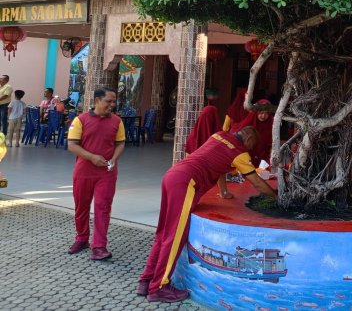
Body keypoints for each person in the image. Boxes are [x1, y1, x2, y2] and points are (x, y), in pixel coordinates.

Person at [138, 126, 277, 303]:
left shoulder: (218, 136)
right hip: (186, 183)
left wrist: (224, 192)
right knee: (174, 237)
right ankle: (158, 288)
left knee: (163, 233)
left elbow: (219, 168)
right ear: (249, 138)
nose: (251, 149)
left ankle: (146, 280)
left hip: (172, 176)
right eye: (252, 144)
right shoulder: (240, 153)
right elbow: (257, 183)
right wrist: (277, 198)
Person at [67, 88, 125, 260]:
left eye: (114, 101)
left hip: (107, 172)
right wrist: (92, 157)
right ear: (97, 100)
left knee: (103, 207)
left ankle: (99, 246)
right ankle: (82, 238)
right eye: (109, 101)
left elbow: (120, 143)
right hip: (83, 172)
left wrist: (114, 159)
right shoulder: (80, 120)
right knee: (81, 207)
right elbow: (72, 145)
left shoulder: (117, 121)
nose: (112, 105)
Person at [249, 99, 274, 167]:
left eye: (266, 113)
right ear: (257, 112)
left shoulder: (271, 123)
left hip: (263, 158)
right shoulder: (250, 121)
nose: (263, 116)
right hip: (247, 156)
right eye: (261, 113)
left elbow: (272, 143)